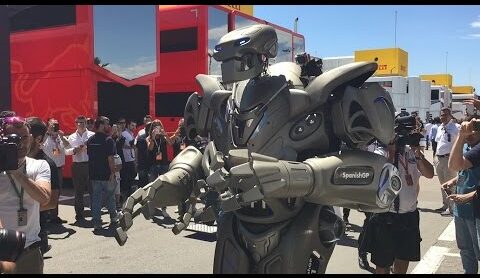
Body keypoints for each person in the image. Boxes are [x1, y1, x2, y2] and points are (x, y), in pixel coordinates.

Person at [366, 135, 434, 274]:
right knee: (382, 262)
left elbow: (429, 174)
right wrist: (391, 153)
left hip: (409, 216)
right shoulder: (380, 152)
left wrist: (419, 155)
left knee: (403, 258)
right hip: (385, 215)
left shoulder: (411, 152)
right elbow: (380, 176)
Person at [0, 114, 51, 273]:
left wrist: (17, 173)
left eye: (24, 137)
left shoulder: (39, 165)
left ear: (31, 138)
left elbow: (44, 198)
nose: (20, 143)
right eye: (13, 138)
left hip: (29, 250)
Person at [445, 116, 480, 274]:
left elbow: (454, 164)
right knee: (466, 250)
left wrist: (460, 136)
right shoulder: (468, 147)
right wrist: (454, 180)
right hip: (462, 209)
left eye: (474, 128)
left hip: (475, 210)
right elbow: (462, 169)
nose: (470, 131)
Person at [26, 117, 59, 255]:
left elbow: (51, 202)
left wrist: (21, 206)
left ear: (37, 138)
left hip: (35, 235)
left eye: (24, 136)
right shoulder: (13, 160)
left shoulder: (47, 164)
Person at [86, 116, 120, 231]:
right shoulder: (108, 140)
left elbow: (90, 157)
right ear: (101, 125)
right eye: (107, 123)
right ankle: (114, 218)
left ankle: (97, 223)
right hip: (106, 174)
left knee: (96, 199)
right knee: (110, 197)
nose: (109, 126)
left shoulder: (90, 140)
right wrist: (112, 173)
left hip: (94, 174)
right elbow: (110, 159)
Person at [65, 115, 95, 221]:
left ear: (86, 124)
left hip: (90, 164)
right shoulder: (72, 137)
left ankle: (95, 212)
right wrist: (74, 150)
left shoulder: (92, 135)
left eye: (83, 122)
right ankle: (79, 213)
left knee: (93, 189)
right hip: (77, 165)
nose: (81, 125)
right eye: (78, 122)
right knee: (78, 191)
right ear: (75, 124)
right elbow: (66, 151)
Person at [42, 117, 69, 224]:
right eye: (52, 124)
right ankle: (45, 215)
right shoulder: (45, 136)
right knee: (47, 192)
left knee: (56, 192)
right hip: (47, 168)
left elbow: (67, 145)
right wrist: (48, 131)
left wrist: (61, 137)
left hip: (58, 168)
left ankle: (54, 216)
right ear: (48, 125)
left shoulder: (58, 137)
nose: (55, 126)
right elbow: (40, 143)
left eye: (56, 124)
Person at [434, 108, 460, 216]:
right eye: (441, 115)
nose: (442, 117)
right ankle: (445, 205)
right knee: (443, 184)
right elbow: (437, 142)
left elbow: (460, 143)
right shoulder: (440, 127)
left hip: (449, 159)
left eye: (444, 115)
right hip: (439, 159)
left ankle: (452, 208)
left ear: (450, 116)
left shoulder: (456, 127)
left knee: (450, 185)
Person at [120, 120, 137, 201]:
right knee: (126, 178)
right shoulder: (124, 134)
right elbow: (122, 145)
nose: (134, 127)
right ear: (128, 125)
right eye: (132, 125)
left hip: (131, 158)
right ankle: (125, 195)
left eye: (135, 126)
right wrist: (132, 147)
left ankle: (128, 194)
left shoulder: (132, 134)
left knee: (131, 177)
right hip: (126, 159)